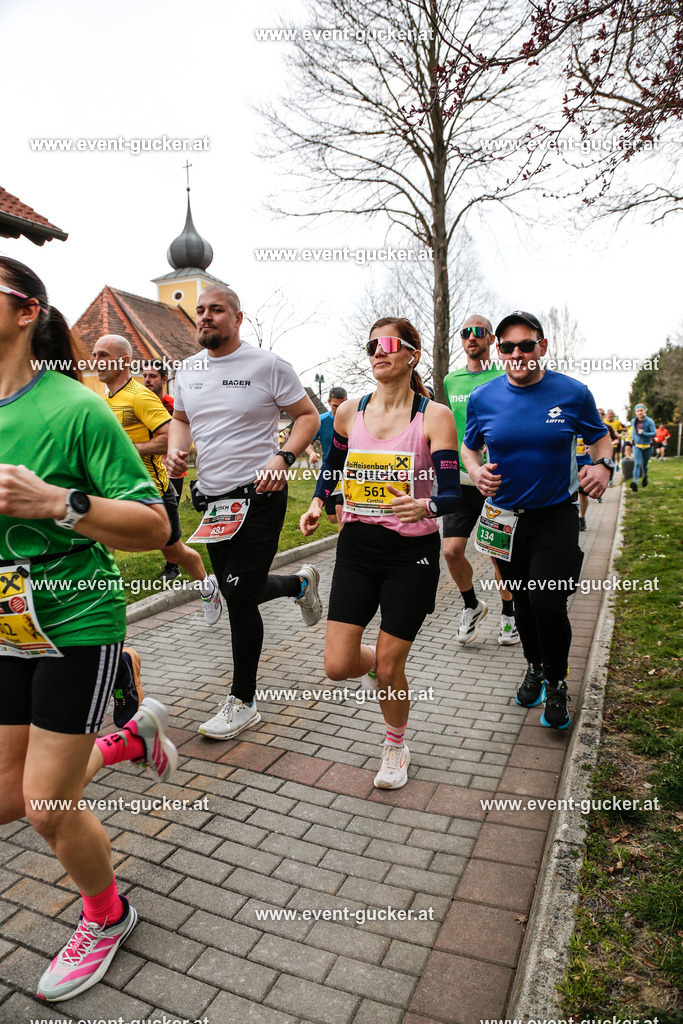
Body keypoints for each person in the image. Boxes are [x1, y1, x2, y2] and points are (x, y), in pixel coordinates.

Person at [0, 257, 179, 1001]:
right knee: (11, 796)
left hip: (78, 617)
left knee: (46, 807)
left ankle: (107, 916)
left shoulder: (77, 408)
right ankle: (127, 740)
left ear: (23, 312)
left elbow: (154, 524)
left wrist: (57, 504)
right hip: (7, 619)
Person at [300, 317, 461, 789]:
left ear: (411, 354)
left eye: (389, 344)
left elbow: (452, 493)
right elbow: (333, 465)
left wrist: (425, 504)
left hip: (409, 555)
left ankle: (395, 743)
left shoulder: (434, 417)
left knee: (392, 668)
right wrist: (317, 501)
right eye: (372, 344)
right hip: (356, 547)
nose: (379, 351)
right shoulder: (350, 412)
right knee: (336, 667)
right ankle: (377, 664)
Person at [166, 285, 322, 740]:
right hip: (214, 503)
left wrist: (284, 457)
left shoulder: (267, 365)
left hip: (259, 497)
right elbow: (181, 419)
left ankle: (244, 701)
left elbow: (307, 417)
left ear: (238, 317)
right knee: (244, 591)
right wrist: (178, 452)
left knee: (237, 595)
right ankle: (298, 584)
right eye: (200, 311)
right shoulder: (188, 370)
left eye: (216, 310)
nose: (205, 317)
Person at [461, 311, 613, 730]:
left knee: (547, 599)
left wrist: (603, 467)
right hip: (504, 520)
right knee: (522, 603)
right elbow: (469, 446)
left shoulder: (572, 392)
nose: (516, 354)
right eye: (507, 347)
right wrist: (474, 472)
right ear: (499, 350)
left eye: (525, 345)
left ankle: (558, 681)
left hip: (555, 517)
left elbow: (600, 436)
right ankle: (534, 666)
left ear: (541, 347)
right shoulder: (483, 398)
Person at [91, 335, 221, 624]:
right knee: (101, 548)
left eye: (103, 355)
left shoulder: (140, 396)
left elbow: (169, 440)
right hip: (114, 492)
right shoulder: (105, 400)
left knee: (175, 552)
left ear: (124, 360)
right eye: (95, 355)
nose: (96, 361)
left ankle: (207, 586)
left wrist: (128, 450)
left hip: (152, 491)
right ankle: (102, 615)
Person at [443, 315, 519, 646]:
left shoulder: (504, 376)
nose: (471, 337)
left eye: (479, 332)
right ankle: (472, 605)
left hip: (497, 482)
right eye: (465, 333)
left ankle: (509, 614)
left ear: (491, 339)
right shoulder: (450, 380)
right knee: (451, 551)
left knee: (497, 554)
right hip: (460, 481)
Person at [142, 359, 187, 581]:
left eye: (152, 376)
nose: (147, 380)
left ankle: (172, 566)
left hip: (171, 470)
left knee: (170, 519)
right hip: (146, 471)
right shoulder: (138, 403)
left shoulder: (174, 405)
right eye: (144, 376)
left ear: (164, 379)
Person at [306, 386, 348, 528]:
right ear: (329, 402)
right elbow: (307, 443)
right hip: (330, 470)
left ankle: (343, 547)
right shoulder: (321, 420)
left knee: (340, 510)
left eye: (342, 405)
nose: (339, 409)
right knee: (332, 517)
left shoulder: (353, 420)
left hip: (348, 470)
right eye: (335, 406)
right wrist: (311, 453)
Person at [630, 403, 656, 492]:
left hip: (648, 446)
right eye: (638, 411)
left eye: (641, 410)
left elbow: (654, 433)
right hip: (637, 446)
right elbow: (634, 431)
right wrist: (632, 439)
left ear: (645, 411)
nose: (640, 412)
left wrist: (644, 433)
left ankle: (645, 476)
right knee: (637, 464)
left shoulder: (650, 421)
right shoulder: (633, 421)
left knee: (644, 465)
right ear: (635, 412)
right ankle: (635, 483)